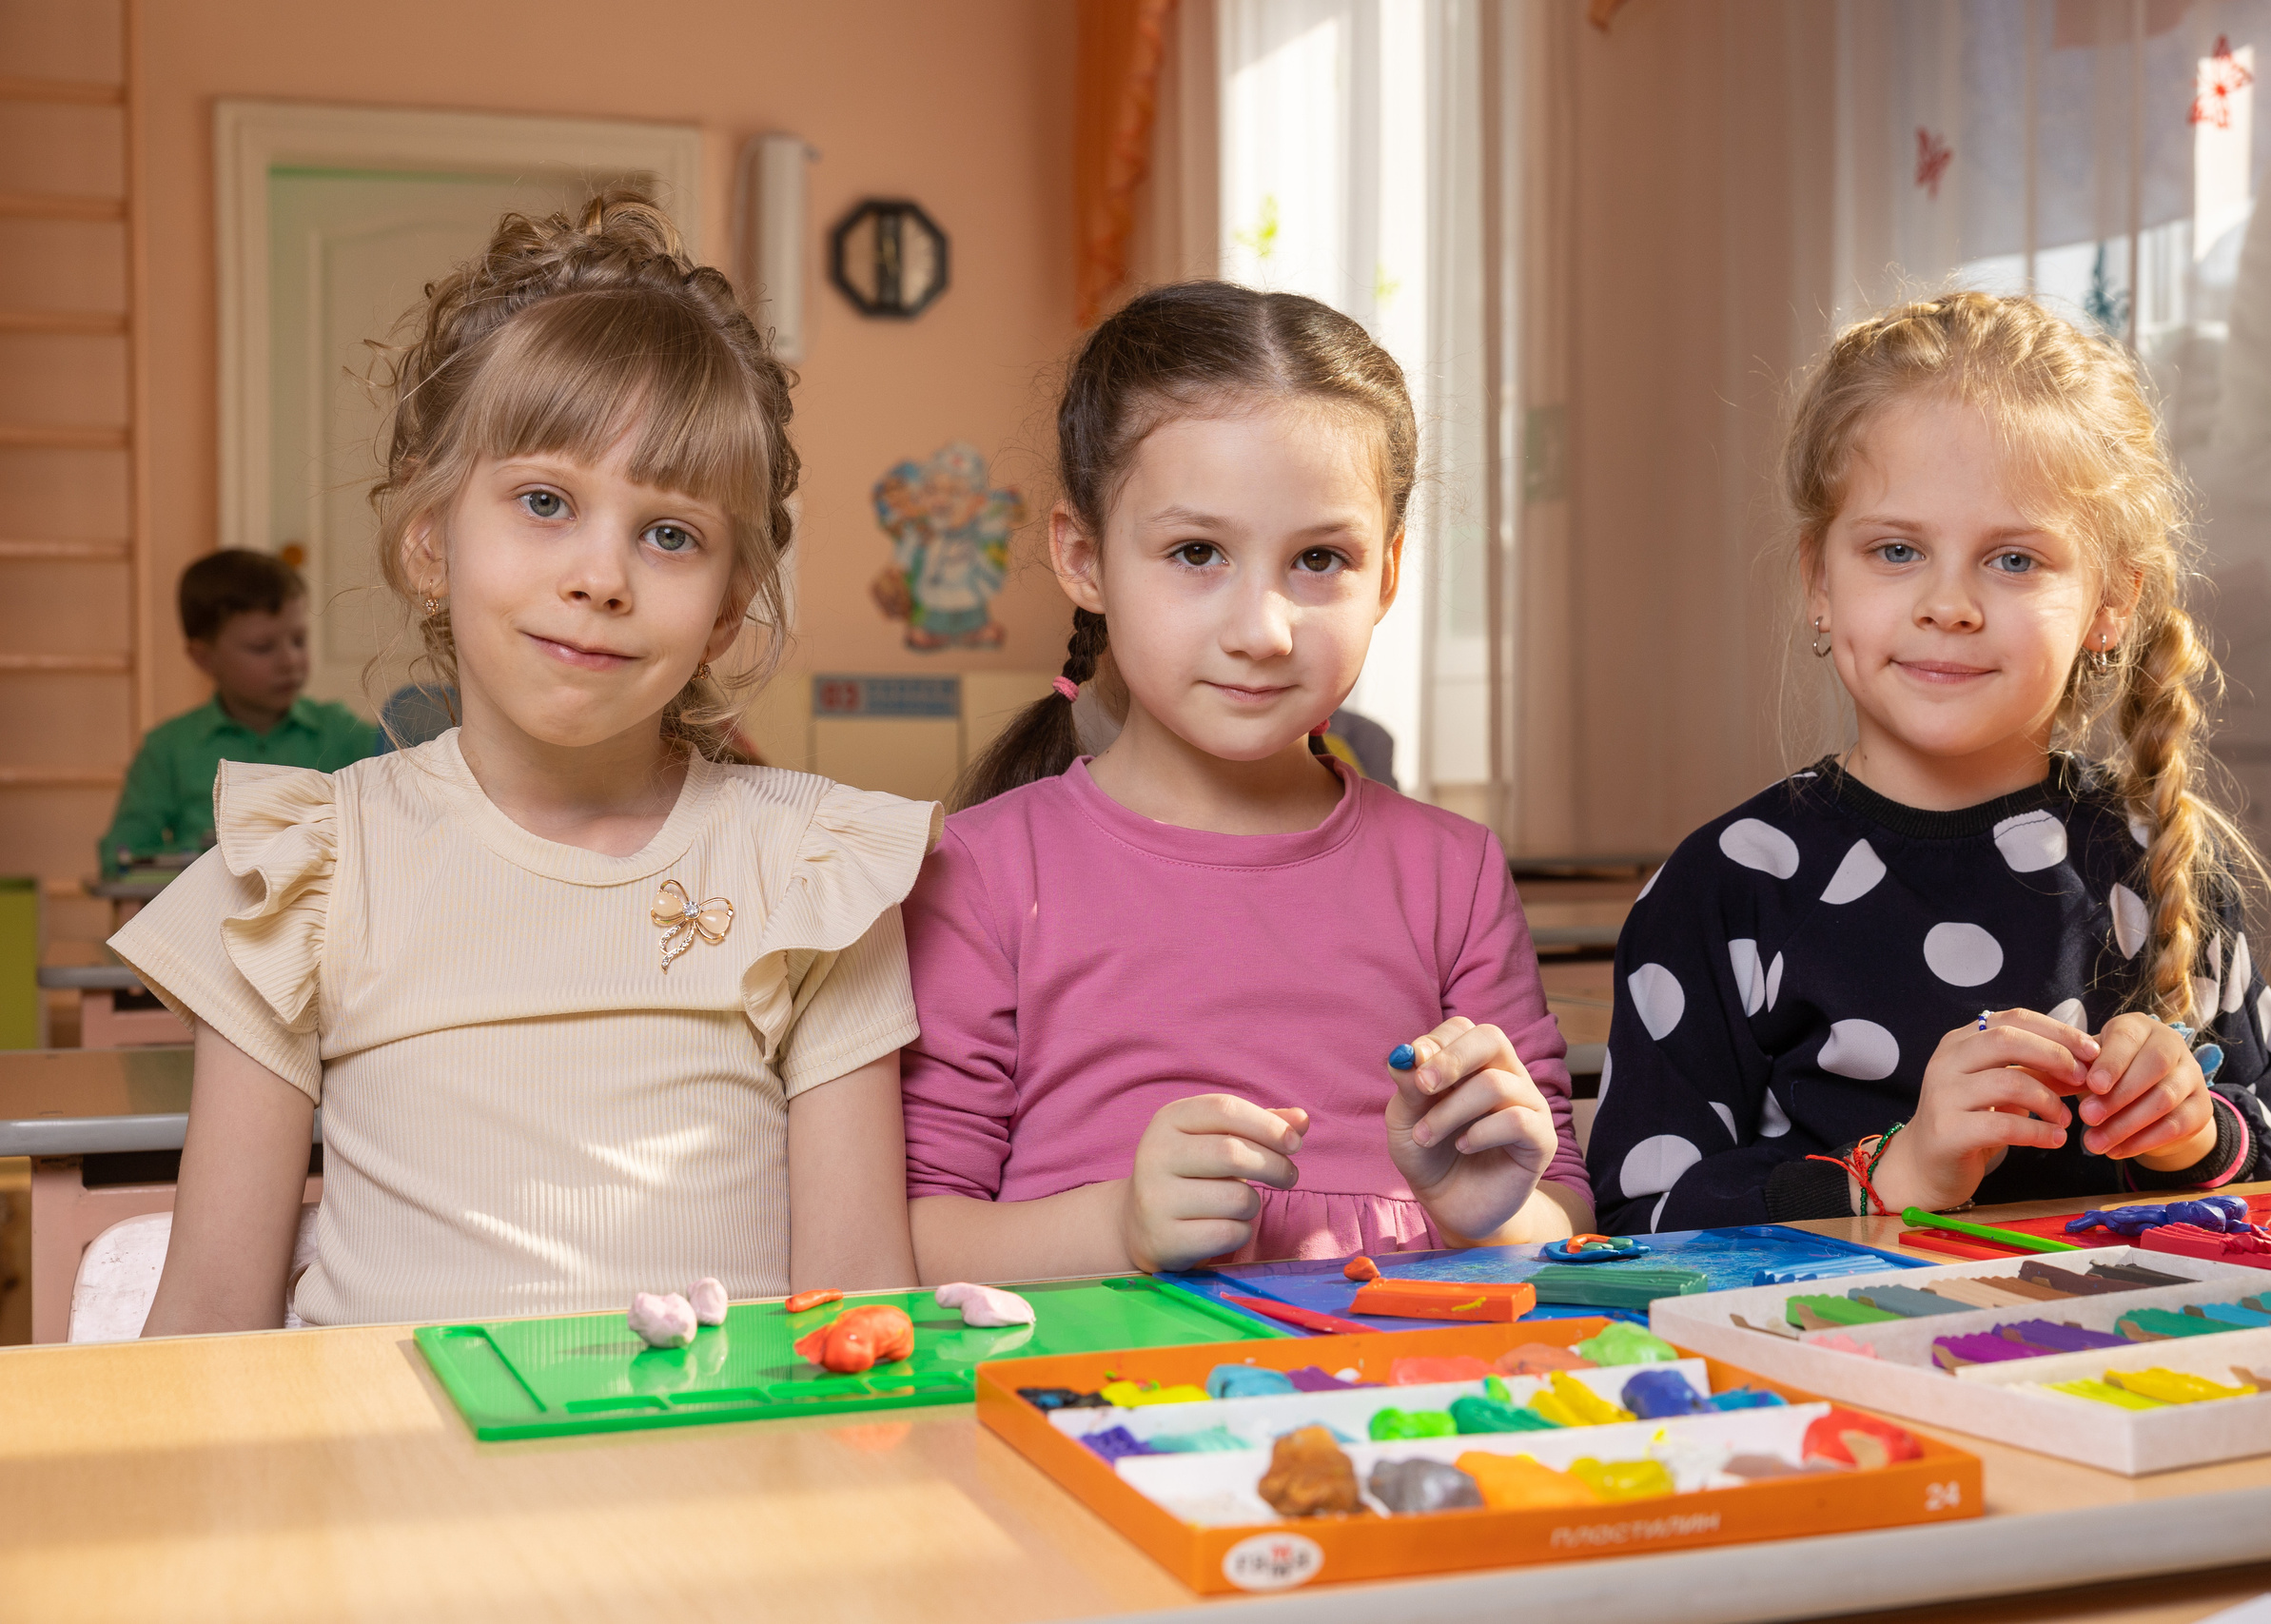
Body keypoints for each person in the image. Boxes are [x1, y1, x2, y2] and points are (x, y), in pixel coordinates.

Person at [114, 195, 936, 1331]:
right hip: (384, 1488)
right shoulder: (312, 866)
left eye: (670, 533)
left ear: (727, 605)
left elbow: (859, 1315)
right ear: (429, 538)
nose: (603, 576)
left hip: (714, 1487)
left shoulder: (813, 870)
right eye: (545, 501)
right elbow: (208, 1314)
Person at [898, 282, 1592, 1282]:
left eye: (1319, 559)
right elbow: (915, 1246)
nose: (1263, 631)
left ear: (1387, 576)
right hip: (1102, 1412)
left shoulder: (1454, 870)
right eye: (1196, 552)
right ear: (1083, 558)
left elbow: (1561, 1204)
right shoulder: (979, 871)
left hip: (1399, 1401)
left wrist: (1489, 1214)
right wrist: (1118, 1230)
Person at [1587, 291, 2271, 1234]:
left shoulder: (2162, 868)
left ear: (2109, 603)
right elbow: (1633, 1220)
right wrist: (1893, 1172)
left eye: (2013, 561)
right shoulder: (1727, 892)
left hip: (2114, 1374)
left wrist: (2191, 1134)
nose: (1949, 604)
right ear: (1819, 581)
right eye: (1895, 549)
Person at [98, 550, 379, 872]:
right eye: (262, 647)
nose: (289, 661)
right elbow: (120, 859)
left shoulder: (346, 734)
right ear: (203, 657)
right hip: (205, 919)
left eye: (299, 640)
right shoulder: (166, 750)